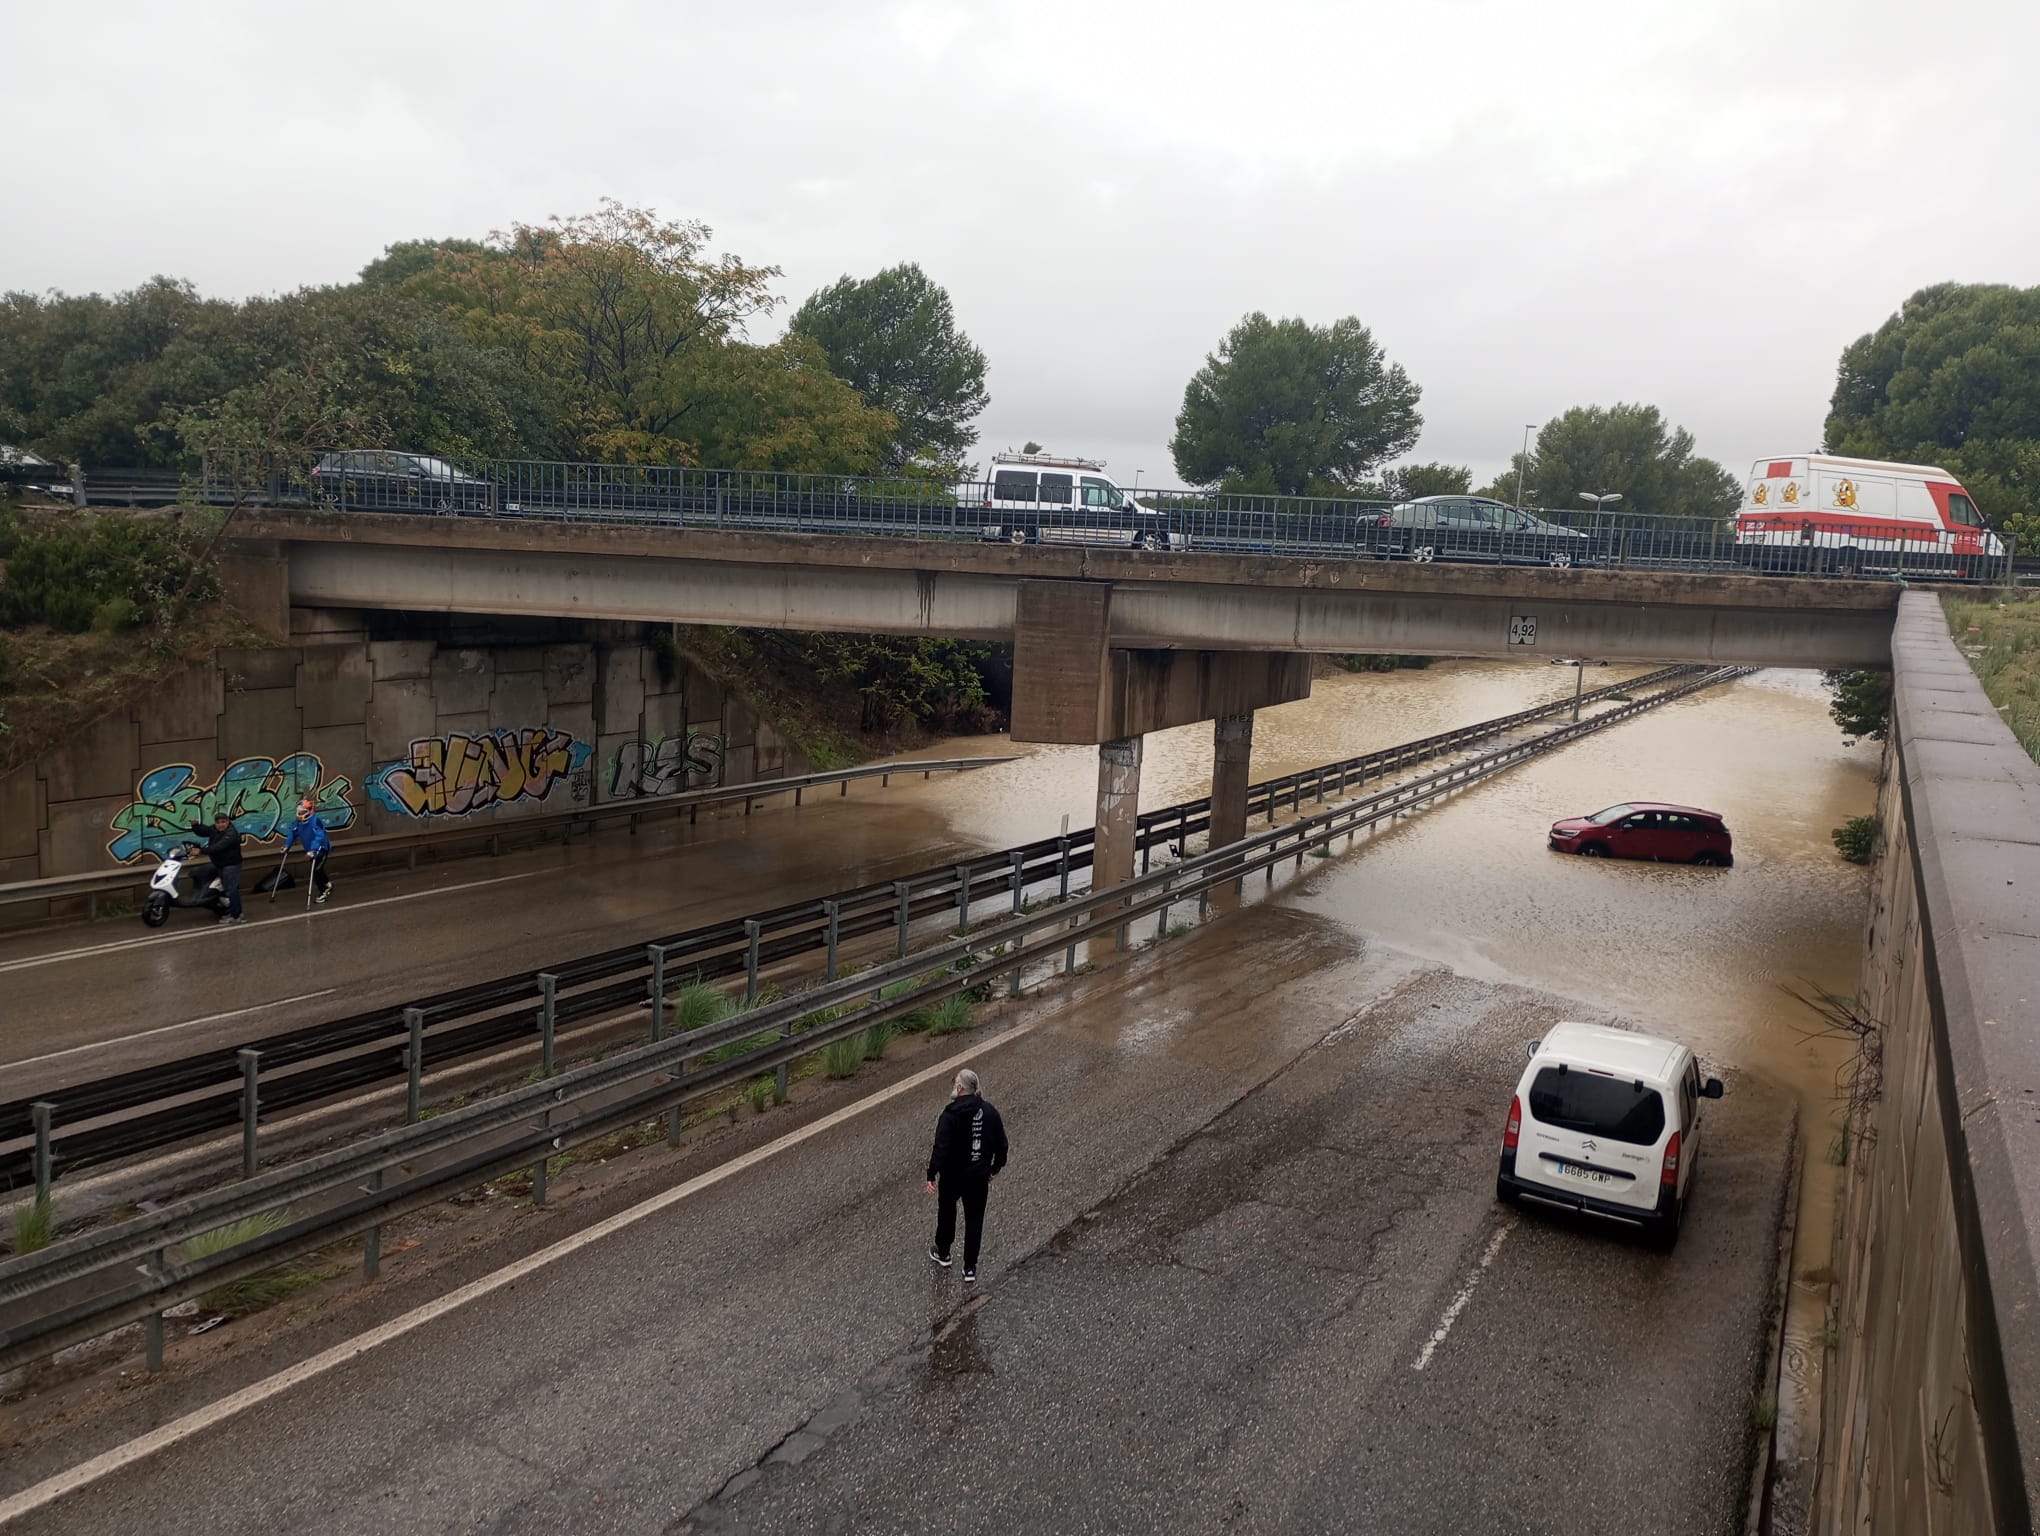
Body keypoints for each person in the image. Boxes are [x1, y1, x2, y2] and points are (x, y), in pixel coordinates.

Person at [925, 1068, 1008, 1283]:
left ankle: (943, 1252)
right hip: (978, 1177)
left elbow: (940, 1148)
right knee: (975, 1219)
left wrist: (931, 1173)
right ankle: (969, 1267)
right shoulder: (990, 1112)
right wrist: (995, 1168)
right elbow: (1001, 1144)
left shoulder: (949, 1116)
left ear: (960, 1088)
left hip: (952, 1177)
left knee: (947, 1211)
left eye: (955, 1082)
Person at [188, 811, 244, 924]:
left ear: (228, 822)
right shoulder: (215, 829)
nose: (220, 824)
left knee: (231, 890)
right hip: (222, 865)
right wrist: (196, 826)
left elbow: (218, 847)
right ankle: (236, 912)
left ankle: (236, 916)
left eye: (223, 822)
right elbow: (205, 831)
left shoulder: (231, 834)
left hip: (231, 865)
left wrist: (201, 851)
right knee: (229, 890)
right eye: (218, 822)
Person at [282, 797, 335, 904]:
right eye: (299, 812)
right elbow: (293, 833)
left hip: (321, 850)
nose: (300, 814)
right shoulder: (299, 822)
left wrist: (313, 849)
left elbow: (319, 836)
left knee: (316, 871)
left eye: (302, 812)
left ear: (310, 811)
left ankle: (323, 891)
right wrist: (287, 845)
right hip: (310, 851)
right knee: (318, 870)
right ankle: (328, 884)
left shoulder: (315, 821)